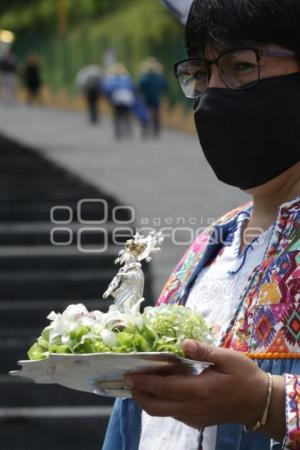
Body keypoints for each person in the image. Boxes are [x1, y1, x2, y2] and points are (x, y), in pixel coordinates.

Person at [103, 0, 300, 449]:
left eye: (240, 66)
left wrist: (266, 404)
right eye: (202, 72)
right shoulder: (211, 244)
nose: (213, 93)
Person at [103, 63, 136, 139]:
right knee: (126, 114)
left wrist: (108, 98)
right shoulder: (127, 79)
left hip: (116, 99)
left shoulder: (111, 80)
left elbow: (108, 90)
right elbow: (132, 88)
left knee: (117, 116)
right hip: (127, 98)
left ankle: (118, 132)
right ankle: (128, 130)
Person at [138, 57, 167, 137]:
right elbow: (163, 85)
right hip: (156, 98)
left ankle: (145, 128)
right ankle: (156, 130)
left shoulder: (145, 77)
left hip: (147, 98)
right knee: (156, 114)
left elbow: (140, 87)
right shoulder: (159, 77)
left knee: (145, 113)